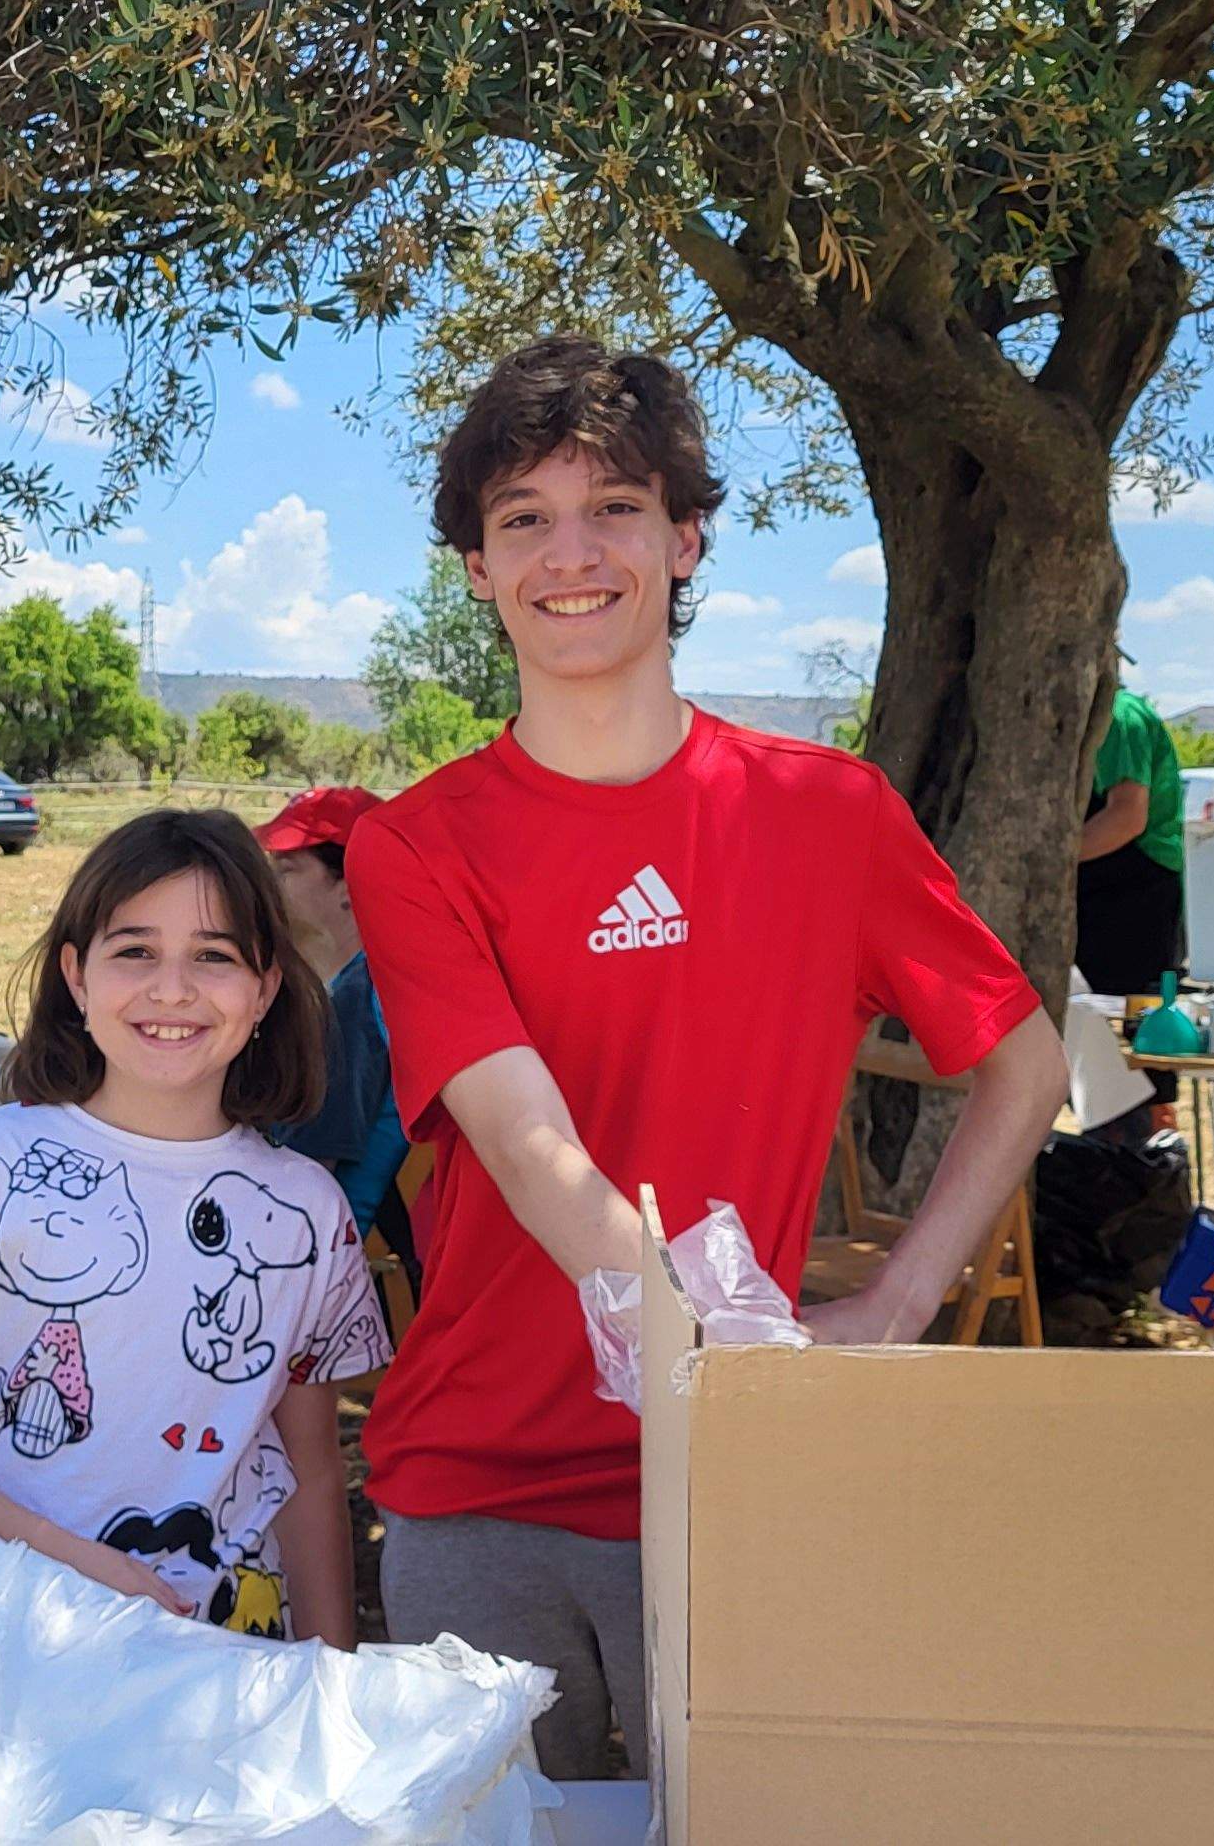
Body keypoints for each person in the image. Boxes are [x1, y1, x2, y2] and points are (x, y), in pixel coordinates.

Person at [343, 339, 1069, 1778]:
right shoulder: (415, 846)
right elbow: (530, 1149)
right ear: (477, 567)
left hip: (731, 1486)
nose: (571, 554)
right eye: (523, 519)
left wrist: (899, 1302)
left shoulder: (828, 815)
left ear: (684, 539)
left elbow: (1026, 1065)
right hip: (478, 1491)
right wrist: (714, 1334)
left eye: (614, 507)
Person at [0, 809, 392, 1649]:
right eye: (135, 951)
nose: (172, 989)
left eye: (214, 955)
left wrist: (330, 1678)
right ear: (76, 977)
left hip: (223, 1672)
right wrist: (73, 1566)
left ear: (267, 988)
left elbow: (312, 1474)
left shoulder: (309, 1213)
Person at [253, 787, 410, 1262]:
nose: (267, 885)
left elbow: (310, 1173)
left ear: (350, 885)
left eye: (287, 870)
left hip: (313, 1261)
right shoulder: (376, 983)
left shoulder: (354, 1008)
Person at [1073, 679, 1188, 1129]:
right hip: (1102, 888)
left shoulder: (1120, 715)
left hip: (1138, 890)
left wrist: (1050, 864)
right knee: (1091, 1026)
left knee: (1141, 1025)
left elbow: (1126, 816)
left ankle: (1154, 1154)